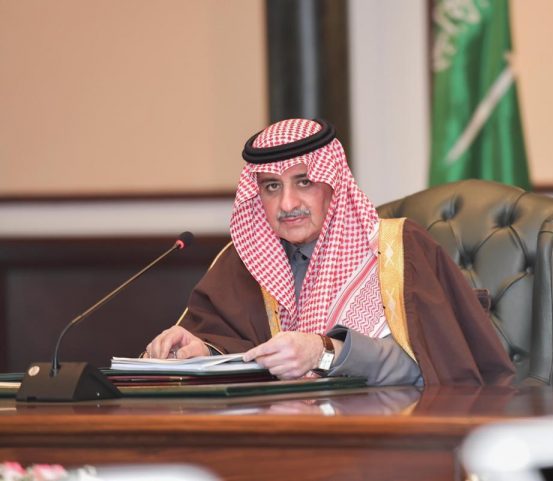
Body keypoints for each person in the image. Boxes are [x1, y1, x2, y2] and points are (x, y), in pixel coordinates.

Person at [145, 118, 514, 386]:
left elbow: (432, 364)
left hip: (386, 436)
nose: (287, 203)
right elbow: (236, 347)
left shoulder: (399, 249)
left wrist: (325, 352)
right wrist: (203, 350)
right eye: (271, 187)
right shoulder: (241, 263)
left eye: (304, 182)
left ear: (334, 185)